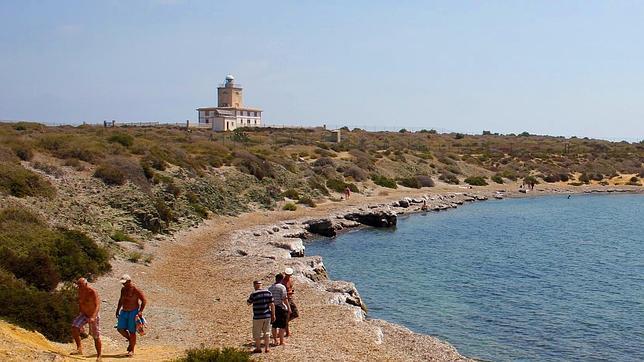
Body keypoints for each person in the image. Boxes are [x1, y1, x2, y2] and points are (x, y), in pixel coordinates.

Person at [115, 274, 147, 357]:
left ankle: (131, 350)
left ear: (129, 281)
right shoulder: (123, 289)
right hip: (124, 311)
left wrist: (140, 311)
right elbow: (121, 299)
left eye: (125, 283)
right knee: (120, 328)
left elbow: (144, 300)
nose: (123, 284)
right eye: (122, 283)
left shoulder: (136, 289)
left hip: (133, 312)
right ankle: (131, 341)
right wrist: (117, 310)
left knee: (132, 331)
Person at [71, 278, 102, 361]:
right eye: (78, 285)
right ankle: (79, 348)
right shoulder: (79, 291)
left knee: (96, 336)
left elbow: (97, 305)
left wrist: (93, 317)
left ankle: (99, 356)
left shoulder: (92, 292)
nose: (79, 287)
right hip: (84, 314)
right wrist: (80, 314)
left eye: (81, 285)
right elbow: (80, 303)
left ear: (86, 284)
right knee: (74, 327)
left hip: (93, 315)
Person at [247, 280, 275, 353]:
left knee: (257, 332)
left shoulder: (253, 294)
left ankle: (258, 348)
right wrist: (273, 314)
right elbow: (272, 304)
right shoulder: (268, 292)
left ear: (254, 285)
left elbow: (248, 303)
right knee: (267, 332)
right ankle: (267, 348)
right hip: (267, 315)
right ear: (261, 285)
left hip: (257, 316)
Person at [268, 274, 289, 346]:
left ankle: (275, 340)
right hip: (281, 308)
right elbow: (284, 299)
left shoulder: (270, 288)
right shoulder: (282, 287)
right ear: (282, 279)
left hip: (273, 308)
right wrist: (289, 308)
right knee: (282, 326)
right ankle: (281, 341)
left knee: (274, 325)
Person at [281, 267, 298, 337]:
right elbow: (283, 292)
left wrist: (291, 291)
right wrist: (289, 293)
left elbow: (290, 288)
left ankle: (284, 325)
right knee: (288, 314)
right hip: (286, 299)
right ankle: (287, 330)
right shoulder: (283, 282)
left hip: (290, 299)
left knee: (295, 313)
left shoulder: (290, 280)